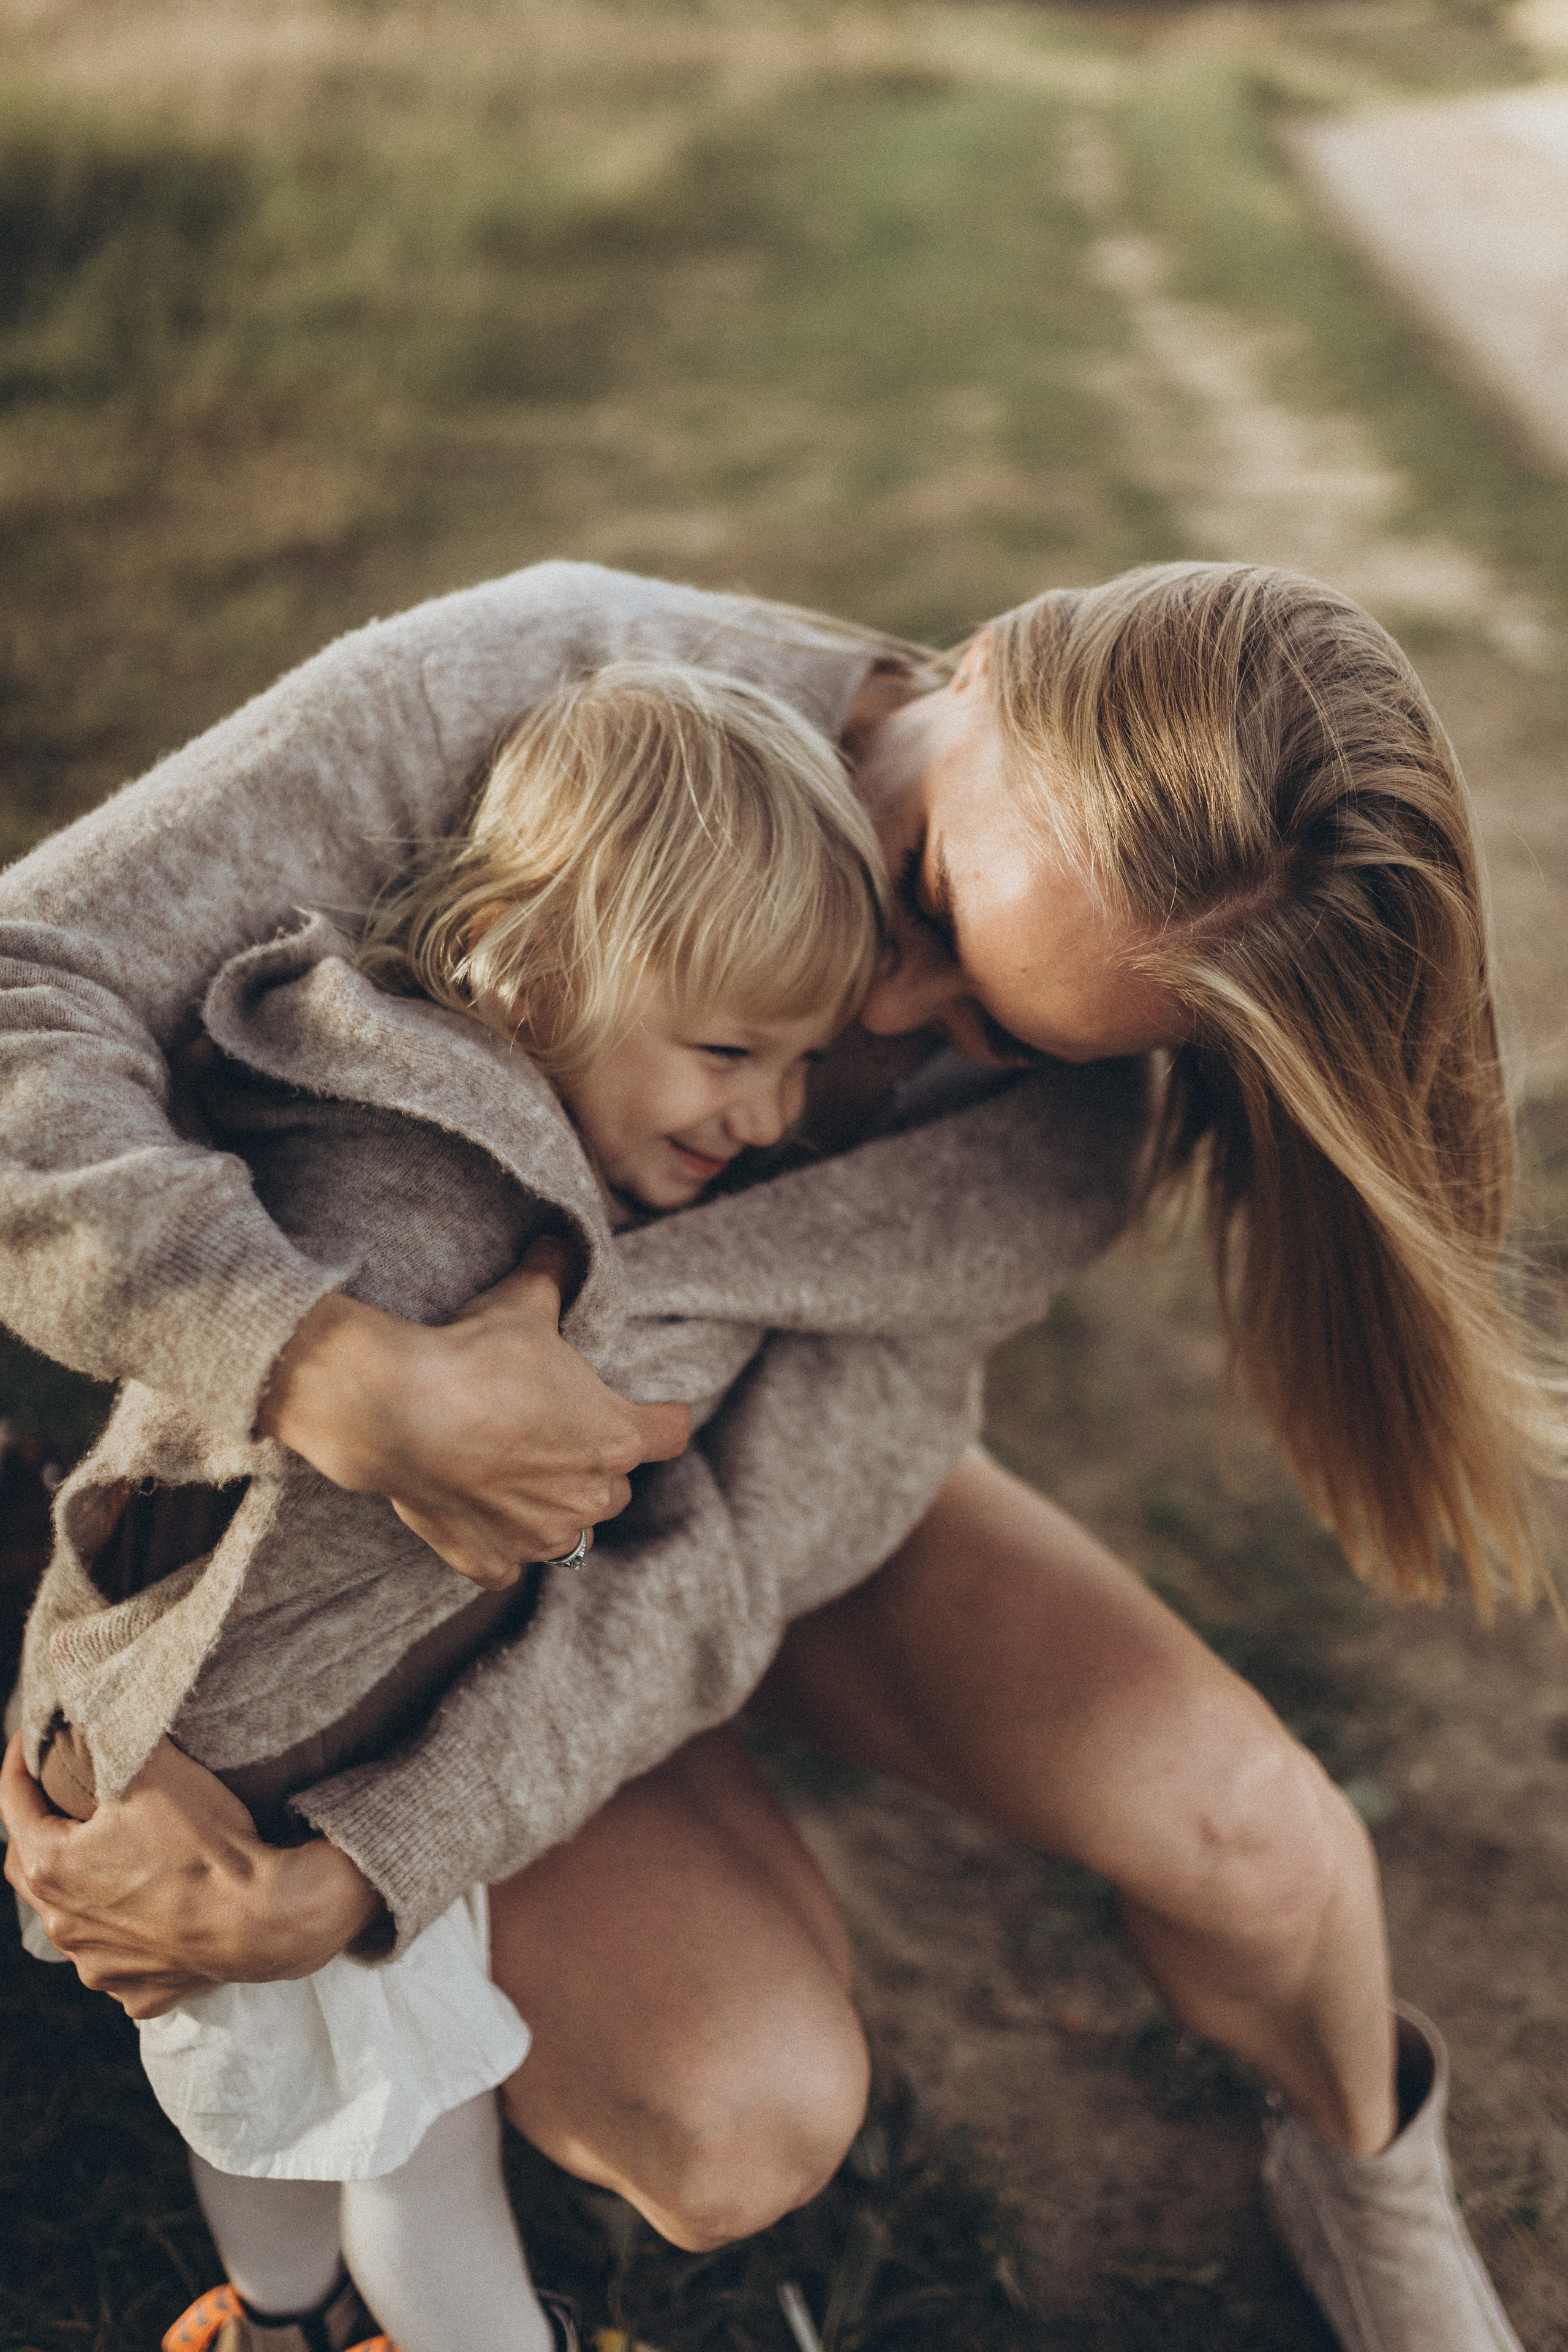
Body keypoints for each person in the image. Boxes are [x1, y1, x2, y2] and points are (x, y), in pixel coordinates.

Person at [1, 560, 1553, 2352]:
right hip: (326, 1506)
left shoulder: (1063, 1150)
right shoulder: (540, 680)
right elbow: (29, 982)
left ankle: (1374, 2178)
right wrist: (316, 1365)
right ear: (982, 666)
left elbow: (737, 1555)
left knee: (1262, 1840)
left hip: (695, 1513)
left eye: (1000, 1030)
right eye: (927, 895)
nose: (888, 1017)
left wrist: (371, 1862)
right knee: (734, 2112)